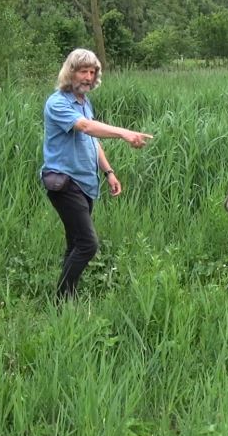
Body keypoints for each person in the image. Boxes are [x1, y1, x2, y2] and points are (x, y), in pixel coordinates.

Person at [41, 48, 153, 300]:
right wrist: (123, 132)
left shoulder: (84, 102)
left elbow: (92, 140)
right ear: (70, 73)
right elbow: (85, 126)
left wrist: (109, 172)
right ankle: (60, 299)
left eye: (92, 72)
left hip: (85, 182)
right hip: (64, 181)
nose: (89, 77)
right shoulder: (57, 102)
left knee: (75, 243)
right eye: (83, 71)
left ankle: (66, 298)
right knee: (88, 244)